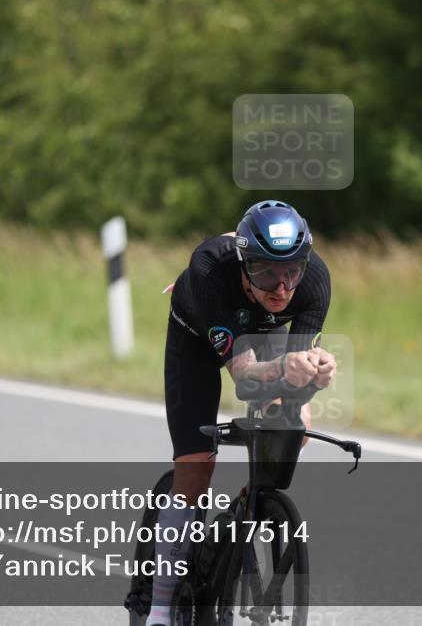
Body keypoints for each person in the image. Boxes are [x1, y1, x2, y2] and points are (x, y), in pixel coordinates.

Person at [147, 200, 336, 625]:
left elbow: (292, 383)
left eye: (291, 271)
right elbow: (247, 377)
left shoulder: (316, 281)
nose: (282, 287)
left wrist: (314, 376)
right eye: (266, 271)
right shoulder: (211, 269)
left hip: (262, 338)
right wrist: (285, 368)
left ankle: (248, 510)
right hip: (197, 339)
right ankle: (160, 605)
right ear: (243, 262)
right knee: (196, 466)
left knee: (297, 427)